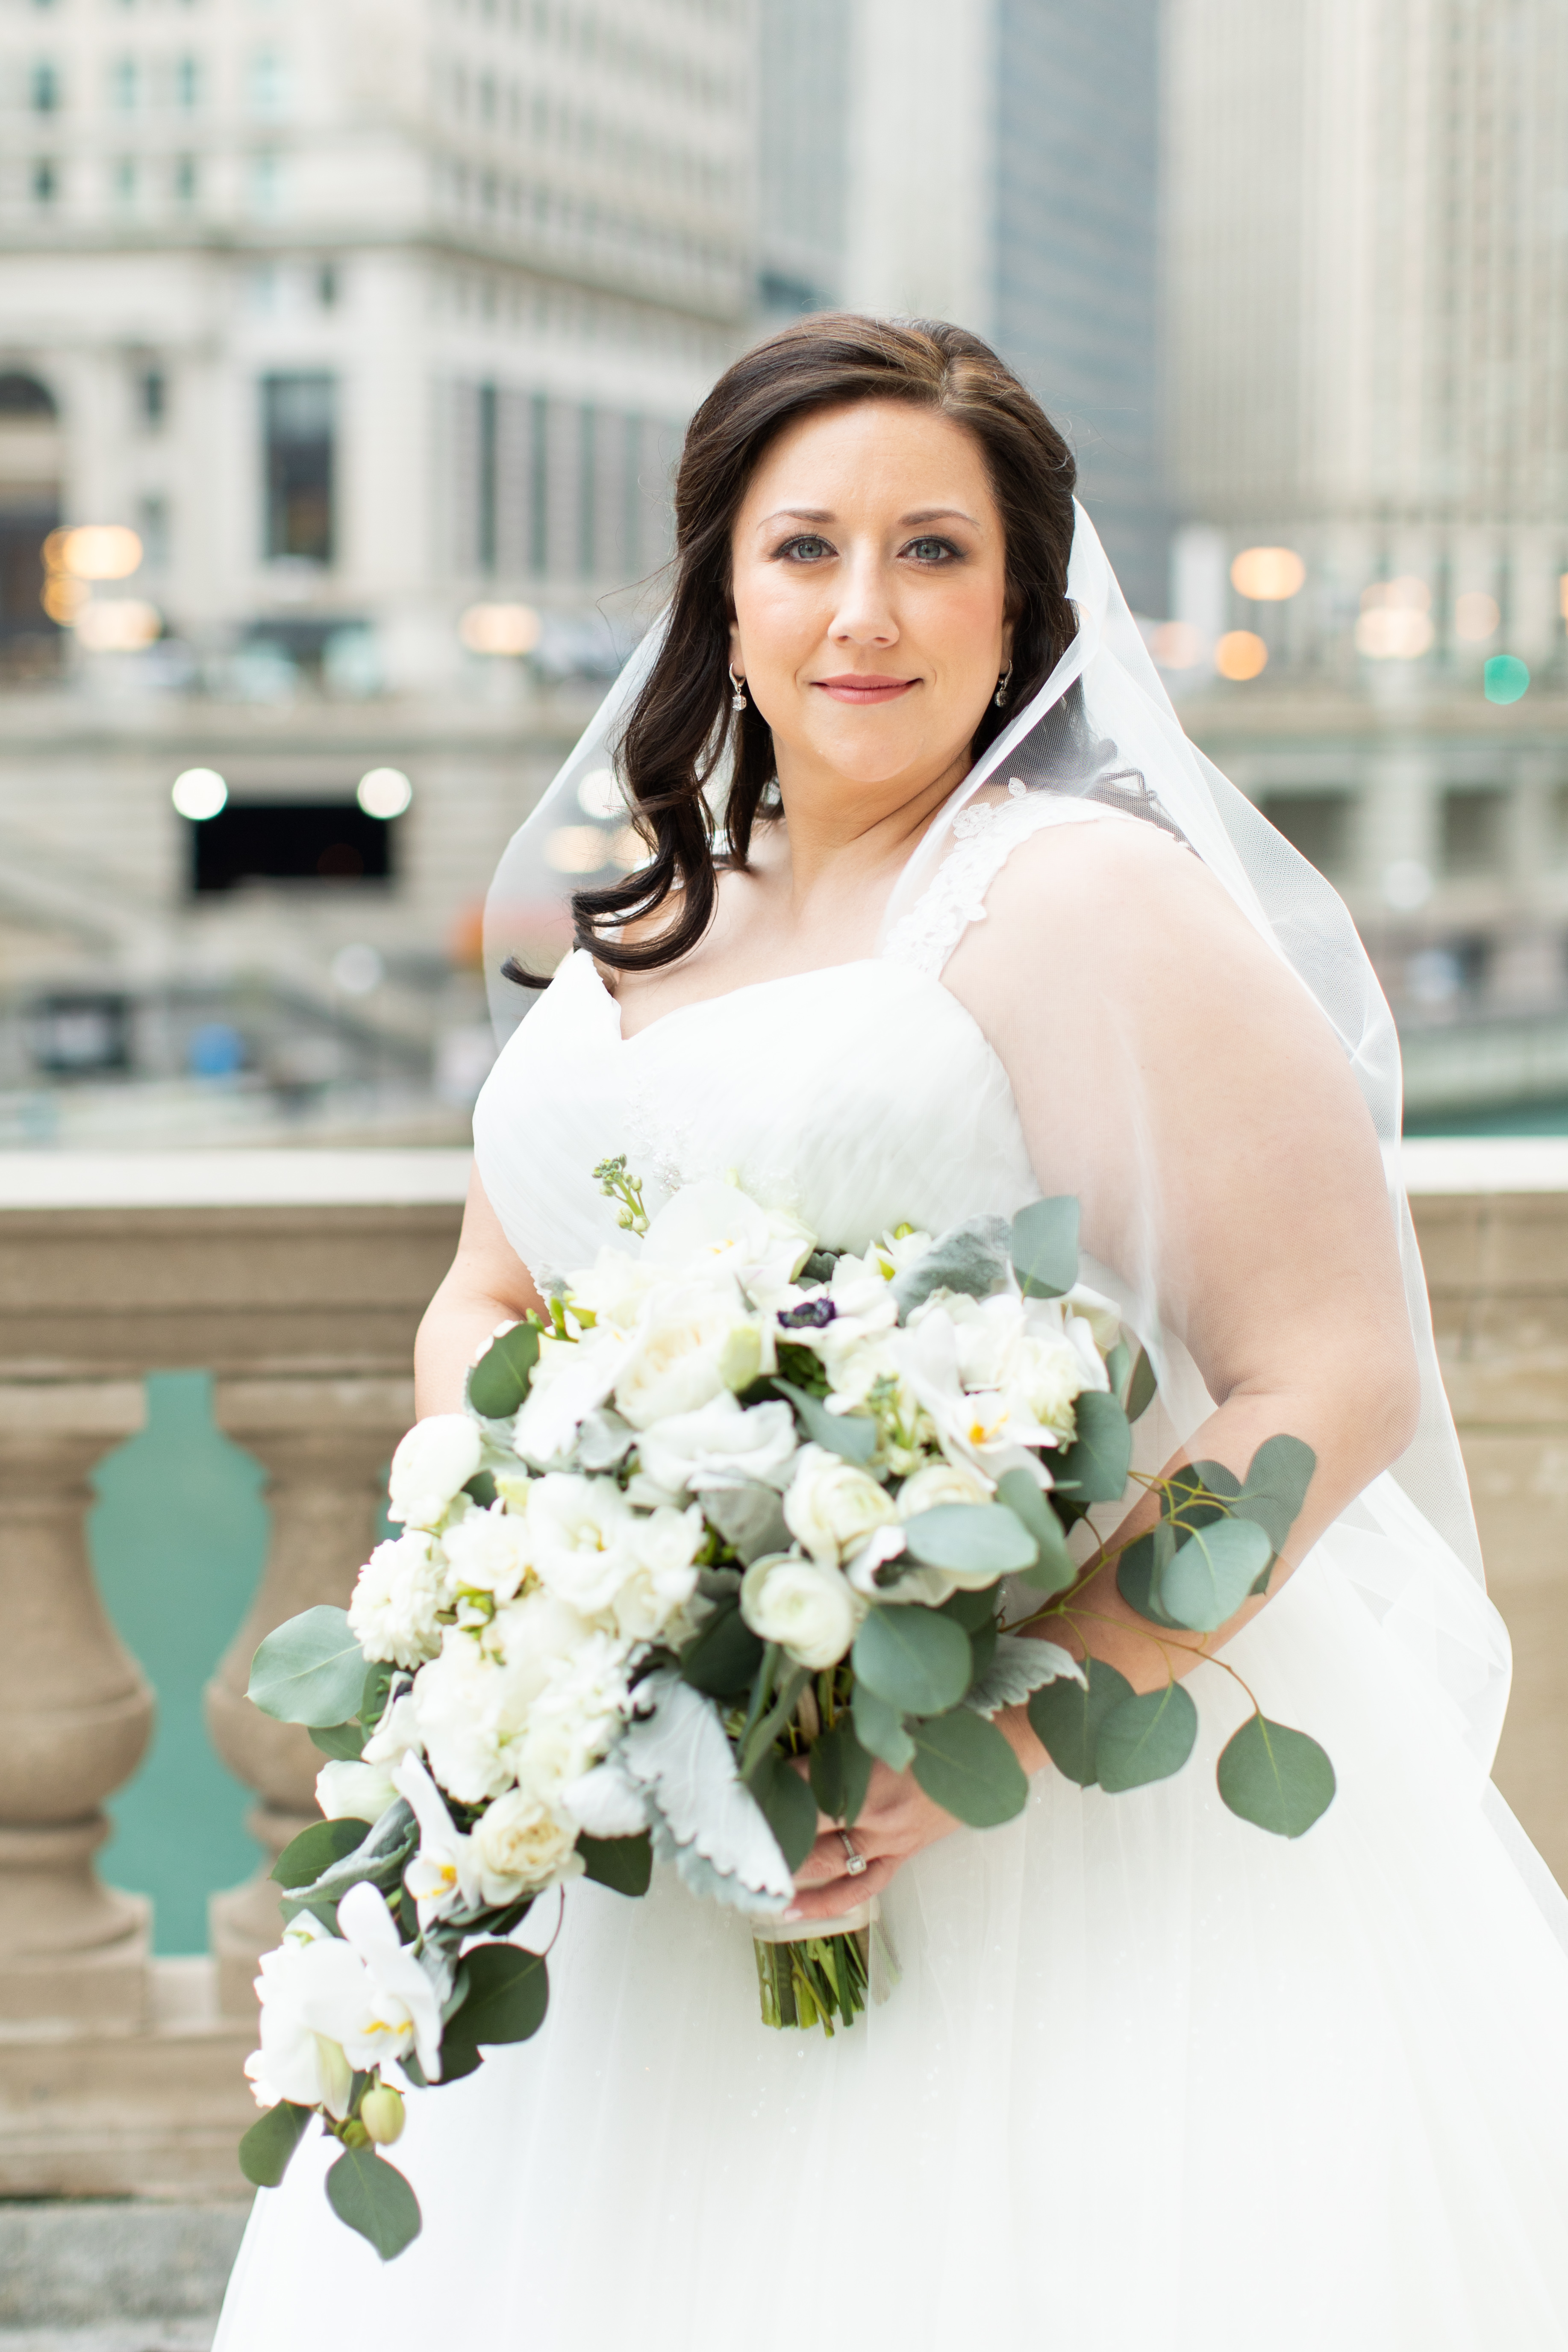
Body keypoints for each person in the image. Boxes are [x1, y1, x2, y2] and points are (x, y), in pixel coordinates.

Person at [215, 317, 1568, 2350]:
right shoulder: (648, 916)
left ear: (1022, 602)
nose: (866, 611)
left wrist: (994, 1725)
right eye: (806, 549)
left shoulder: (1093, 899)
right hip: (659, 1816)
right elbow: (492, 1299)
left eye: (934, 552)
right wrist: (557, 1614)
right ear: (723, 590)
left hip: (1040, 1837)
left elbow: (1331, 1372)